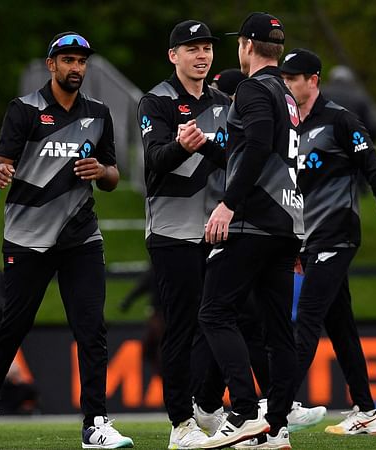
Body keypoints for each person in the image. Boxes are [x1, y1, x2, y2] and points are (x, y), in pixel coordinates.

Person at [0, 31, 133, 450]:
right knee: (13, 327)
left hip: (81, 237)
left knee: (92, 329)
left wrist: (101, 171)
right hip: (28, 237)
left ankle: (96, 422)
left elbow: (113, 176)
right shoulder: (24, 110)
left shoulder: (99, 113)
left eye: (81, 61)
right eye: (68, 60)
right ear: (51, 64)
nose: (76, 68)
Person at [279, 48, 376, 438]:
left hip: (337, 235)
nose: (287, 86)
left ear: (313, 80)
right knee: (341, 327)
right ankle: (368, 412)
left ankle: (278, 409)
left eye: (293, 79)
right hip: (309, 240)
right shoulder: (289, 127)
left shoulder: (341, 120)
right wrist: (295, 245)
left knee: (305, 319)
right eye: (283, 79)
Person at [194, 13, 303, 449]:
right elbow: (258, 149)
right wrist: (209, 145)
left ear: (245, 45)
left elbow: (257, 146)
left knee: (214, 312)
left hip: (253, 219)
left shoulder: (254, 88)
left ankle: (241, 411)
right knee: (277, 328)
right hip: (285, 221)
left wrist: (227, 203)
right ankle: (275, 427)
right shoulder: (287, 94)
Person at [136, 19, 230, 448]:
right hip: (173, 232)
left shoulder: (221, 101)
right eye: (192, 48)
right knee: (179, 327)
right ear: (173, 56)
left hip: (217, 230)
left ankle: (207, 407)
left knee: (226, 318)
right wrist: (182, 146)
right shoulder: (156, 101)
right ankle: (180, 425)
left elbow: (235, 158)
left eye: (206, 48)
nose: (202, 55)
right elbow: (155, 160)